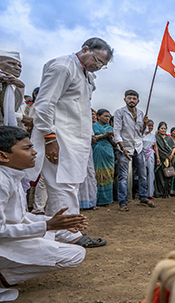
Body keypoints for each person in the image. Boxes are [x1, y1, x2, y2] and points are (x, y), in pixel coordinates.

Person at [25, 37, 112, 248]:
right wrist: (49, 138)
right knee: (62, 185)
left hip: (75, 140)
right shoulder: (63, 66)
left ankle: (61, 229)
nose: (97, 67)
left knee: (69, 185)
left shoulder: (85, 74)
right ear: (85, 49)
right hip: (59, 138)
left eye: (102, 65)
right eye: (96, 60)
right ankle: (67, 233)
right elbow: (44, 104)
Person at [0, 126, 86, 300]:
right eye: (27, 148)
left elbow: (20, 217)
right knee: (73, 255)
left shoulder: (13, 175)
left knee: (56, 238)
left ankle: (6, 274)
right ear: (3, 156)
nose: (34, 152)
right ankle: (7, 277)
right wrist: (48, 225)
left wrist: (58, 222)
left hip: (7, 239)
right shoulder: (2, 181)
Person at [113, 89, 155, 211]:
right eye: (129, 98)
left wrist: (145, 124)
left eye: (134, 98)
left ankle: (143, 197)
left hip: (138, 147)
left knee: (143, 175)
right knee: (123, 177)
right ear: (125, 99)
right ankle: (122, 202)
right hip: (124, 148)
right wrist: (122, 147)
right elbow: (116, 131)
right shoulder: (119, 112)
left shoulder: (141, 114)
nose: (132, 100)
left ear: (138, 101)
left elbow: (140, 133)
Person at [0, 51, 31, 130]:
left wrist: (21, 87)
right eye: (12, 64)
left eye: (20, 66)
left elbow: (15, 108)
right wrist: (21, 117)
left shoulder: (13, 85)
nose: (18, 68)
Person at [92, 109, 116, 206]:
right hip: (97, 150)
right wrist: (104, 135)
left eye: (109, 116)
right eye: (105, 116)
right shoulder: (93, 126)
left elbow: (114, 144)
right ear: (98, 116)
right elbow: (91, 139)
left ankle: (106, 200)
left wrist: (110, 137)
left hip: (108, 152)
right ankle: (96, 200)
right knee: (97, 175)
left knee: (108, 175)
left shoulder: (110, 127)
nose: (107, 118)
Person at [78, 109, 98, 211]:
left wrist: (92, 139)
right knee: (80, 176)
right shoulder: (78, 123)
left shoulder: (89, 125)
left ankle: (91, 202)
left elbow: (92, 139)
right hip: (77, 151)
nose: (93, 116)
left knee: (90, 175)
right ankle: (79, 203)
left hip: (88, 152)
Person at [154, 122, 175, 198]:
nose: (163, 130)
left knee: (168, 176)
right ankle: (159, 192)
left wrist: (171, 155)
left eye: (164, 128)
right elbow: (155, 148)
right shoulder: (156, 138)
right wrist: (157, 157)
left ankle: (167, 193)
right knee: (159, 176)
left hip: (168, 159)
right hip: (160, 159)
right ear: (158, 129)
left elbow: (174, 147)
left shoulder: (169, 138)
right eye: (162, 128)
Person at [142, 119, 156, 199]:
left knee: (150, 173)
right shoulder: (141, 134)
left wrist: (157, 157)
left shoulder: (153, 136)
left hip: (150, 154)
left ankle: (150, 193)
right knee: (142, 173)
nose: (150, 127)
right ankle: (141, 192)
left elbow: (155, 147)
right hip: (141, 154)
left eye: (152, 126)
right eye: (149, 125)